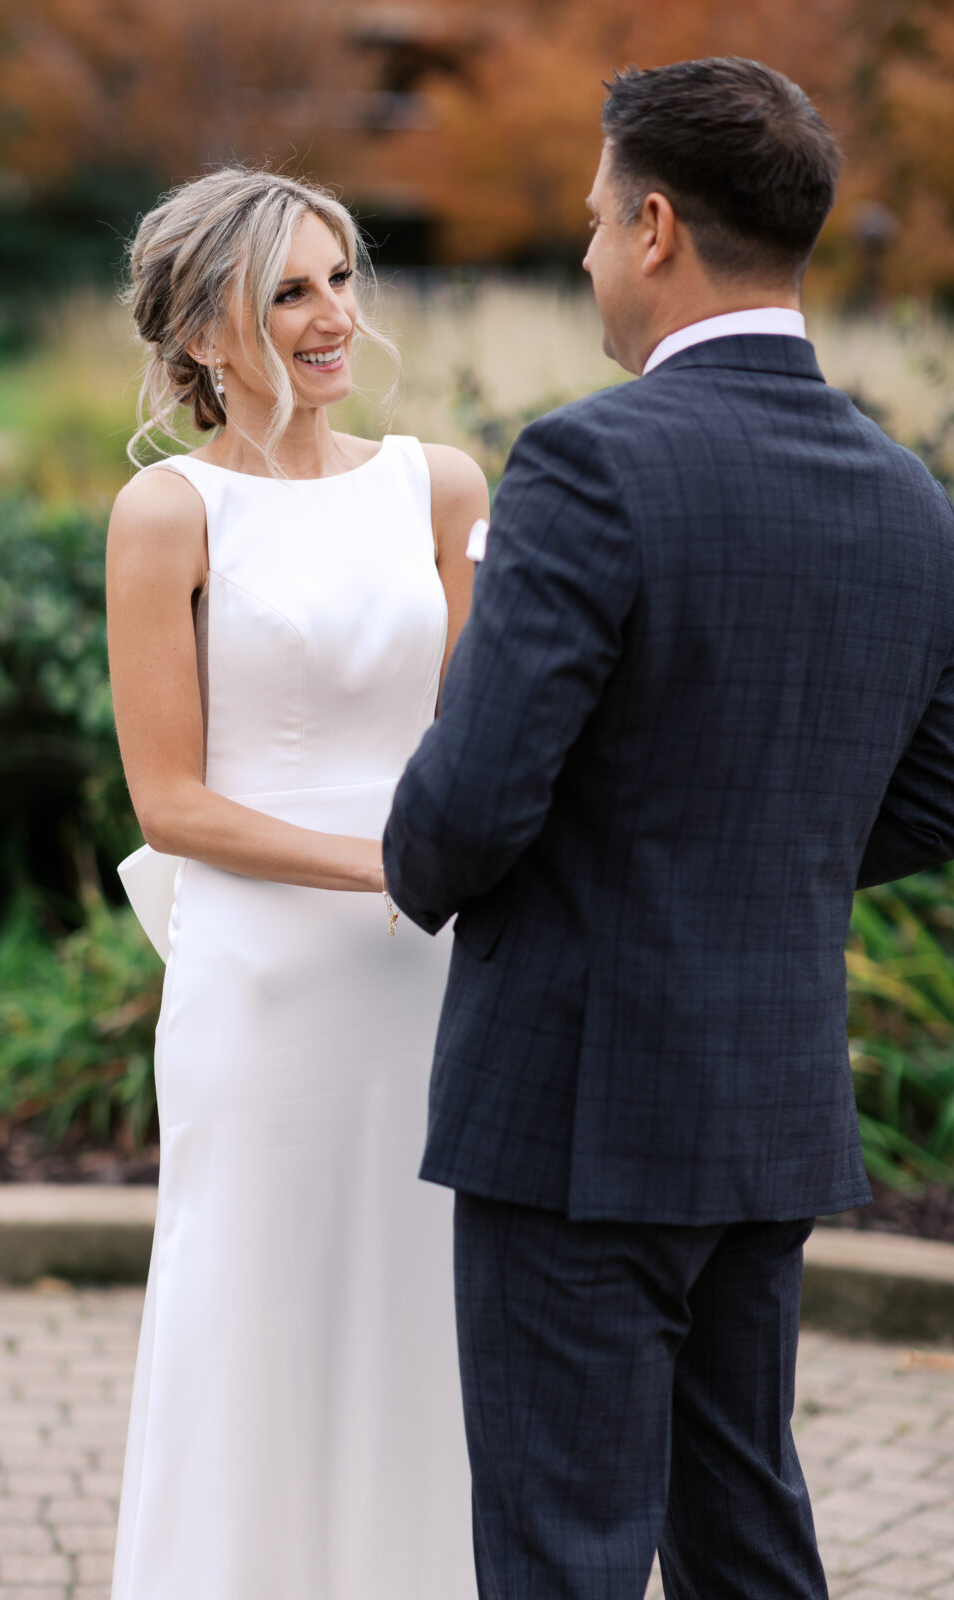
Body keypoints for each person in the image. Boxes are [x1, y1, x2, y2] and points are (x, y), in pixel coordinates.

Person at [383, 55, 954, 1600]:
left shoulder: (591, 461)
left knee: (566, 1552)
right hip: (766, 1105)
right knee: (746, 1531)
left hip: (579, 1105)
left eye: (585, 222)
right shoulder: (913, 499)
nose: (579, 257)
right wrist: (761, 860)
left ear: (652, 225)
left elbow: (475, 799)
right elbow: (940, 790)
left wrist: (408, 862)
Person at [105, 166, 487, 1600]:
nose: (334, 317)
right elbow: (173, 801)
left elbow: (478, 736)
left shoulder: (436, 486)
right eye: (289, 292)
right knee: (253, 1312)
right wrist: (389, 861)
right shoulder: (169, 511)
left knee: (419, 1313)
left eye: (338, 279)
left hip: (428, 976)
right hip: (264, 990)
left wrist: (452, 869)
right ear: (204, 332)